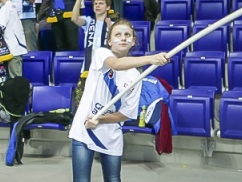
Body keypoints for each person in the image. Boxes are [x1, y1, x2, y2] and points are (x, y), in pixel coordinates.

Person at [69, 20, 170, 182]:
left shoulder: (136, 76)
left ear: (133, 41)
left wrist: (101, 119)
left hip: (111, 134)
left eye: (127, 35)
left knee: (113, 179)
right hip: (84, 130)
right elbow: (116, 64)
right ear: (109, 41)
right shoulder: (101, 54)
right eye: (118, 35)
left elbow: (126, 113)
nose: (123, 38)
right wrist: (151, 58)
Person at [71, 0, 112, 94]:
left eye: (101, 3)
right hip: (87, 68)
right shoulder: (89, 22)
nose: (97, 5)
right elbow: (74, 19)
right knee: (82, 101)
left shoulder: (112, 24)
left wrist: (111, 30)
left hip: (106, 68)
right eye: (95, 3)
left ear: (108, 7)